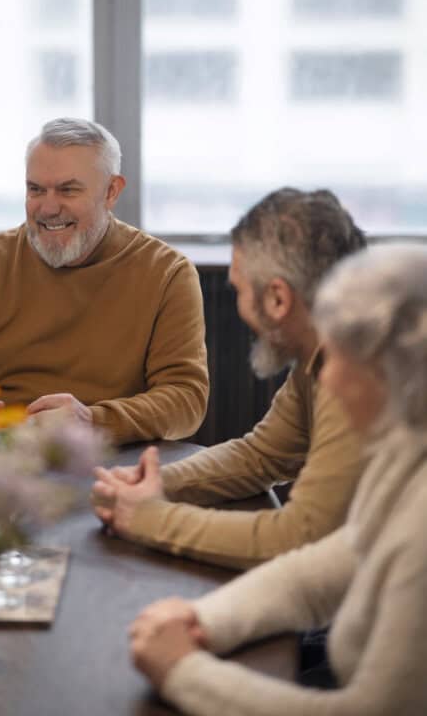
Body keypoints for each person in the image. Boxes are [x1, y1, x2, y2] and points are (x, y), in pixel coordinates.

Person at [128, 243, 427, 716]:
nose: (325, 382)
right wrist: (202, 619)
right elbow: (323, 570)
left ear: (390, 374)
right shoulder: (406, 451)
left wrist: (184, 672)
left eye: (340, 361)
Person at [92, 188, 366, 567]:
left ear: (277, 299)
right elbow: (262, 456)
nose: (238, 307)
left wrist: (148, 518)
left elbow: (299, 535)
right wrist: (152, 484)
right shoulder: (329, 344)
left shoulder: (359, 371)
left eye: (238, 290)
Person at [0, 118, 209, 445]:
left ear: (111, 191)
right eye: (36, 189)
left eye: (68, 189)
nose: (48, 207)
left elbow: (186, 399)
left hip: (111, 460)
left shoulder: (167, 272)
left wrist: (93, 421)